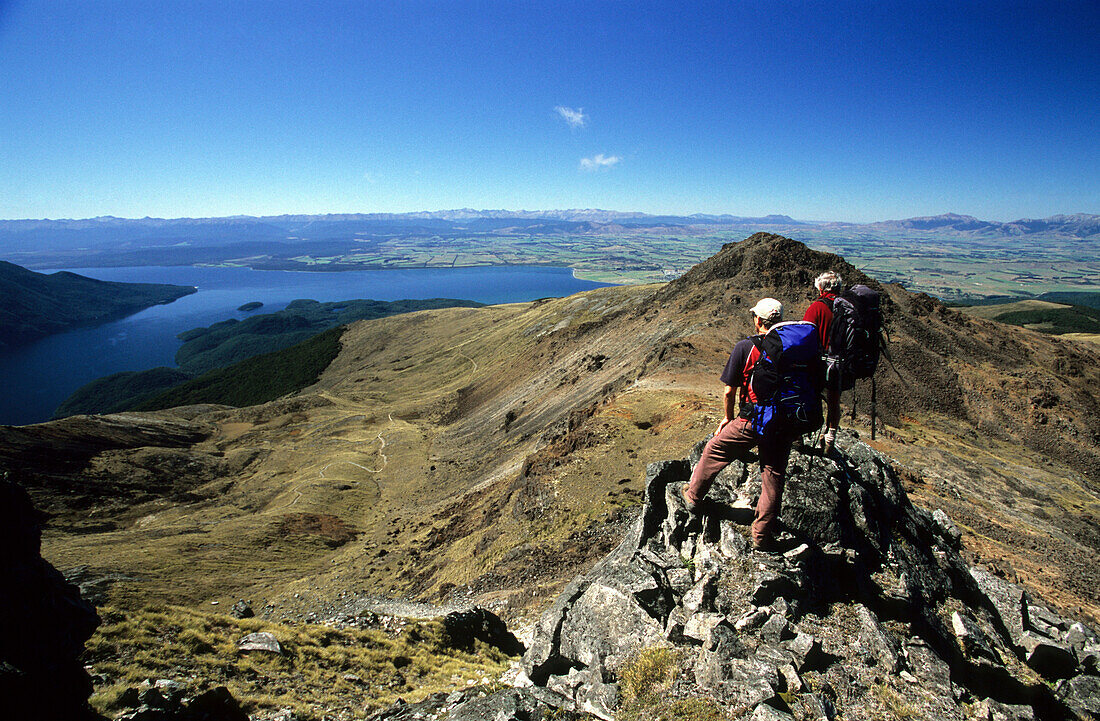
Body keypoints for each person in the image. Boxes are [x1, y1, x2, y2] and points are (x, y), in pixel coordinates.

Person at [681, 298, 799, 551]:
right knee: (773, 475)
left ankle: (692, 496)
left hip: (753, 418)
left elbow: (728, 391)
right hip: (783, 423)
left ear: (758, 320)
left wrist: (727, 418)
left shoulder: (746, 346)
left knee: (715, 449)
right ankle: (762, 536)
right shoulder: (793, 348)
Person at [803, 271, 843, 455]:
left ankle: (800, 435)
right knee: (834, 402)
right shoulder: (847, 308)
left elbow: (804, 337)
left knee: (807, 396)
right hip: (840, 364)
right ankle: (830, 440)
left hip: (819, 363)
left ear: (820, 288)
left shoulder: (816, 308)